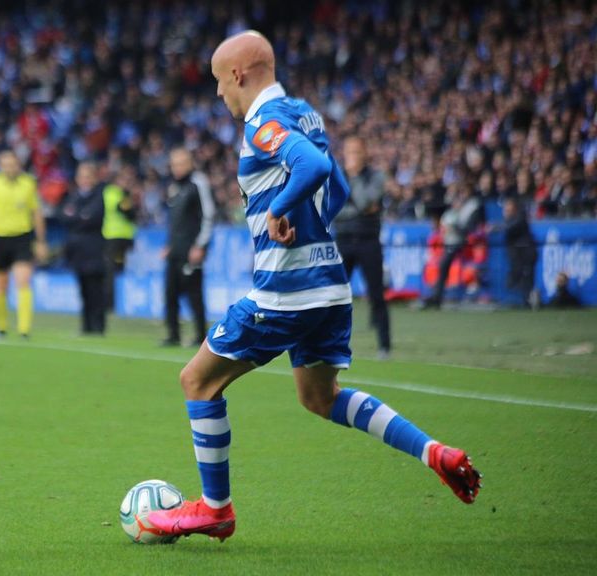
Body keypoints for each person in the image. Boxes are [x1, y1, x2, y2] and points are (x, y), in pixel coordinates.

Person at [146, 31, 482, 543]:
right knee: (320, 397)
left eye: (219, 82)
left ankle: (216, 509)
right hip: (330, 288)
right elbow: (339, 185)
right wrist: (311, 220)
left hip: (286, 292)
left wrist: (281, 209)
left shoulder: (264, 122)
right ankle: (433, 452)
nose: (218, 94)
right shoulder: (305, 112)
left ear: (237, 75)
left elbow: (316, 166)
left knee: (197, 381)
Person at [0, 150, 47, 339]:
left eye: (12, 165)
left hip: (22, 238)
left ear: (19, 165)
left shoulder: (28, 184)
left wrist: (40, 241)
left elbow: (37, 213)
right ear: (0, 165)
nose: (9, 168)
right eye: (5, 165)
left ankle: (24, 330)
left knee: (23, 281)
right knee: (1, 285)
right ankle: (1, 327)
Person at [335, 135, 391, 358]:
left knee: (377, 294)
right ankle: (334, 344)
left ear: (365, 153)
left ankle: (384, 346)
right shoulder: (336, 176)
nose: (352, 157)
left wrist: (354, 177)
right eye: (349, 152)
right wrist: (357, 210)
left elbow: (363, 200)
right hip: (344, 241)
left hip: (368, 240)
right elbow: (334, 210)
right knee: (336, 295)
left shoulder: (376, 176)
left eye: (356, 152)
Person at [161, 148, 214, 347]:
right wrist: (169, 245)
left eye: (181, 163)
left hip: (191, 249)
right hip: (175, 250)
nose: (176, 168)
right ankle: (173, 333)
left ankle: (200, 334)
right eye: (174, 164)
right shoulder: (174, 187)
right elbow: (175, 222)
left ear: (190, 163)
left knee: (194, 294)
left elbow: (208, 215)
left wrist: (200, 245)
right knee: (170, 293)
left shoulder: (198, 182)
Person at [62, 161, 107, 335]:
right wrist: (79, 217)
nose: (84, 180)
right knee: (83, 291)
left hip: (94, 251)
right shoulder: (74, 196)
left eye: (88, 176)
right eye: (81, 176)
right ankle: (86, 326)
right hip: (78, 252)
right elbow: (63, 216)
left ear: (94, 178)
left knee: (95, 290)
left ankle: (98, 326)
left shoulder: (99, 195)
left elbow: (92, 218)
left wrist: (76, 217)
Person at [422, 184, 482, 308]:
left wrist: (455, 227)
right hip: (450, 242)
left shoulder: (469, 208)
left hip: (460, 243)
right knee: (441, 266)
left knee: (445, 265)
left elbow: (468, 228)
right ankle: (436, 296)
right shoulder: (452, 211)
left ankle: (438, 297)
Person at [102, 165, 139, 312]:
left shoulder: (121, 194)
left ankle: (118, 304)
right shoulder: (114, 193)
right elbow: (125, 211)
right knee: (111, 271)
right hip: (114, 237)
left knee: (118, 270)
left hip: (122, 237)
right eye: (125, 179)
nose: (128, 182)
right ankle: (110, 304)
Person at [490, 198, 537, 307]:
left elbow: (509, 227)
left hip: (526, 254)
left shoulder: (520, 218)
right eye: (505, 210)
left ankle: (527, 302)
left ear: (515, 209)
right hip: (517, 256)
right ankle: (519, 300)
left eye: (508, 210)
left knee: (525, 277)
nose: (506, 212)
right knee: (517, 277)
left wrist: (495, 228)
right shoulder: (509, 220)